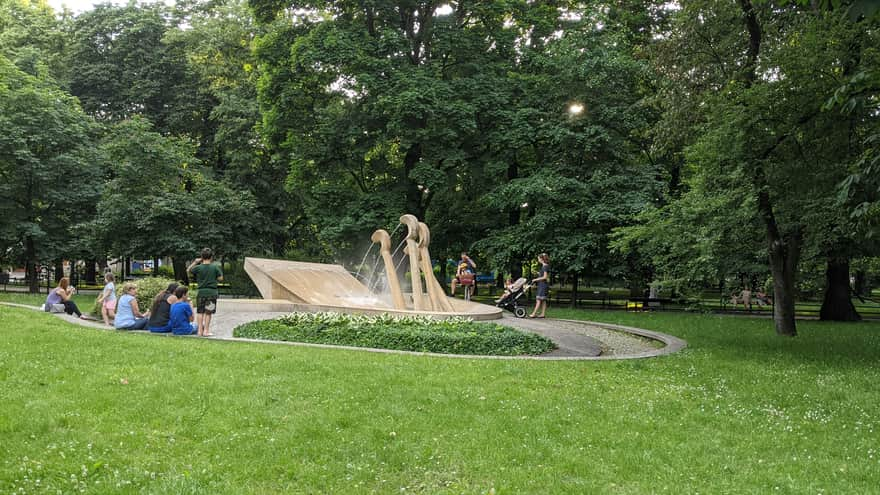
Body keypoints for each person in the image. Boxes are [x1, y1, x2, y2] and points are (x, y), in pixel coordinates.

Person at [187, 248, 224, 337]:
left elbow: (188, 270)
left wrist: (195, 262)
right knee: (208, 312)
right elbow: (220, 278)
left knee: (200, 312)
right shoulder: (215, 267)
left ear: (201, 257)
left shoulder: (198, 268)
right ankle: (206, 331)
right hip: (211, 293)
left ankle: (200, 331)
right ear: (211, 257)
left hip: (201, 293)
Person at [529, 253, 551, 318]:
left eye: (538, 258)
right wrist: (538, 273)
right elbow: (543, 274)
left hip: (543, 286)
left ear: (542, 259)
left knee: (538, 300)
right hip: (543, 285)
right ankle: (542, 314)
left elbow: (545, 277)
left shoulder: (544, 266)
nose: (538, 260)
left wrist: (535, 279)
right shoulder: (545, 266)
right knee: (543, 300)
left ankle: (534, 314)